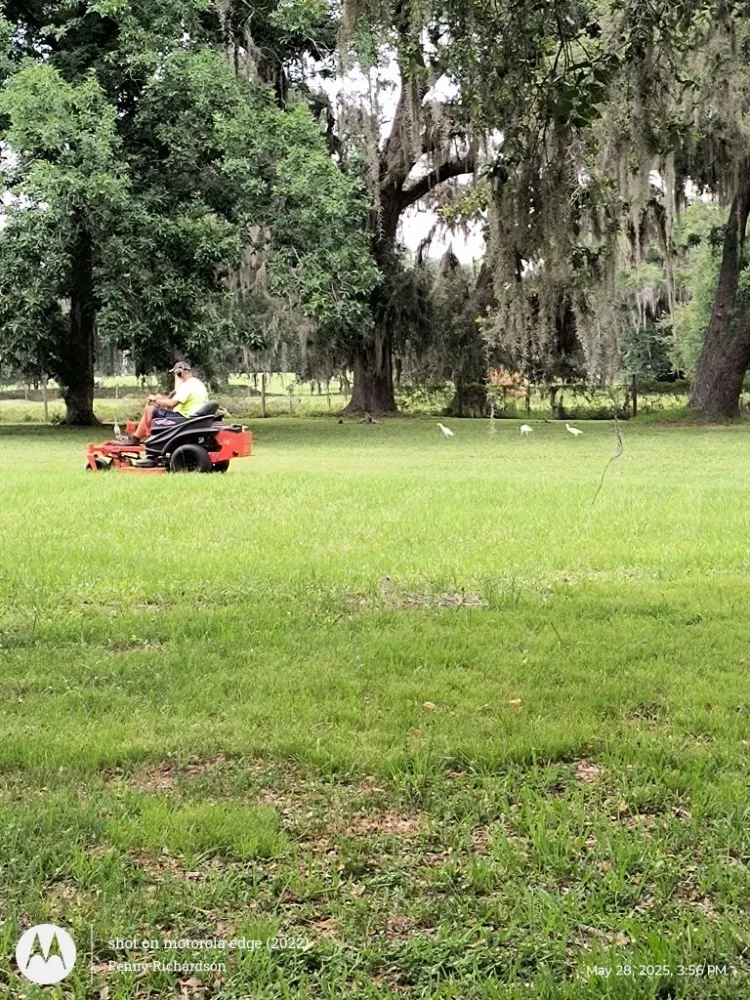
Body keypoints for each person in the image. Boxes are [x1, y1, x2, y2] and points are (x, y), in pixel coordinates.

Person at [118, 362, 209, 443]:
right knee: (153, 408)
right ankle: (137, 436)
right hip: (190, 419)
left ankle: (138, 437)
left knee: (150, 409)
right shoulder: (196, 383)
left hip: (183, 420)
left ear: (179, 373)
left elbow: (171, 404)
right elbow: (174, 400)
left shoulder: (187, 385)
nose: (174, 377)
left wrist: (155, 400)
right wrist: (161, 399)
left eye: (174, 374)